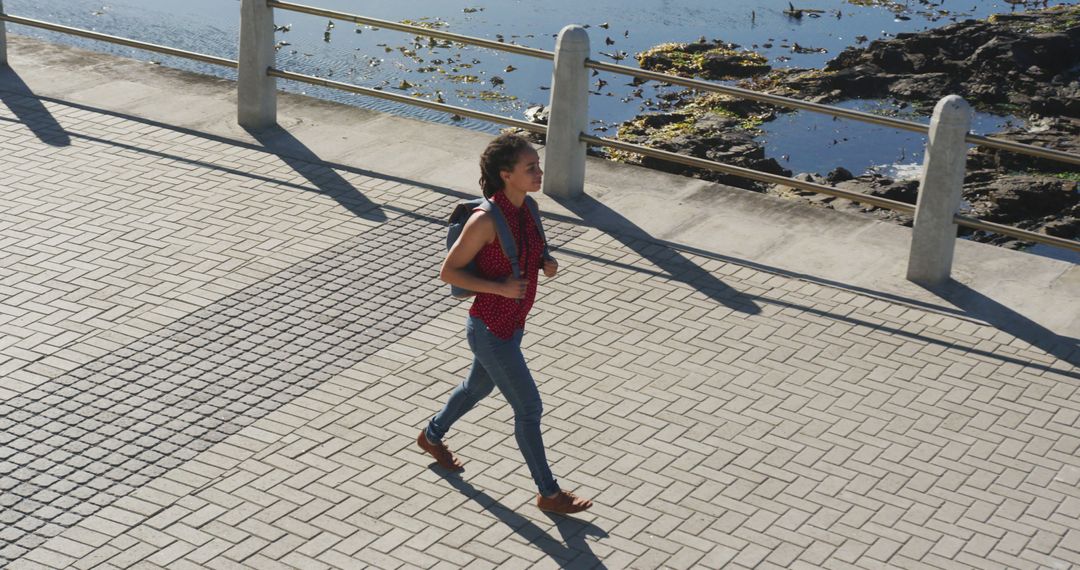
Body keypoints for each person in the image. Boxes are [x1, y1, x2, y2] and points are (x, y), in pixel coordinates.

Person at [418, 133, 593, 515]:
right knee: (529, 408)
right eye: (530, 168)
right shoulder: (485, 220)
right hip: (490, 331)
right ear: (506, 174)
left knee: (474, 388)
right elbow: (448, 272)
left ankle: (431, 436)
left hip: (512, 327)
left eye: (538, 165)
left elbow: (532, 248)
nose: (539, 172)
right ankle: (549, 494)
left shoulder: (528, 207)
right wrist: (498, 286)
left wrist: (546, 261)